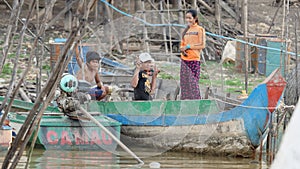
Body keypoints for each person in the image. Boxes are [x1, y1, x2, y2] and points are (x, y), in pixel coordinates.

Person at [180, 9, 206, 100]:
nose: (188, 20)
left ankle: (196, 102)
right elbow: (182, 44)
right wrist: (183, 49)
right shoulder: (186, 31)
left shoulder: (199, 29)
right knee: (184, 84)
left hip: (194, 60)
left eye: (190, 18)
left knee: (193, 83)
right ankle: (185, 102)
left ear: (195, 18)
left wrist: (188, 46)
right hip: (184, 60)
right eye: (186, 18)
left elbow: (202, 45)